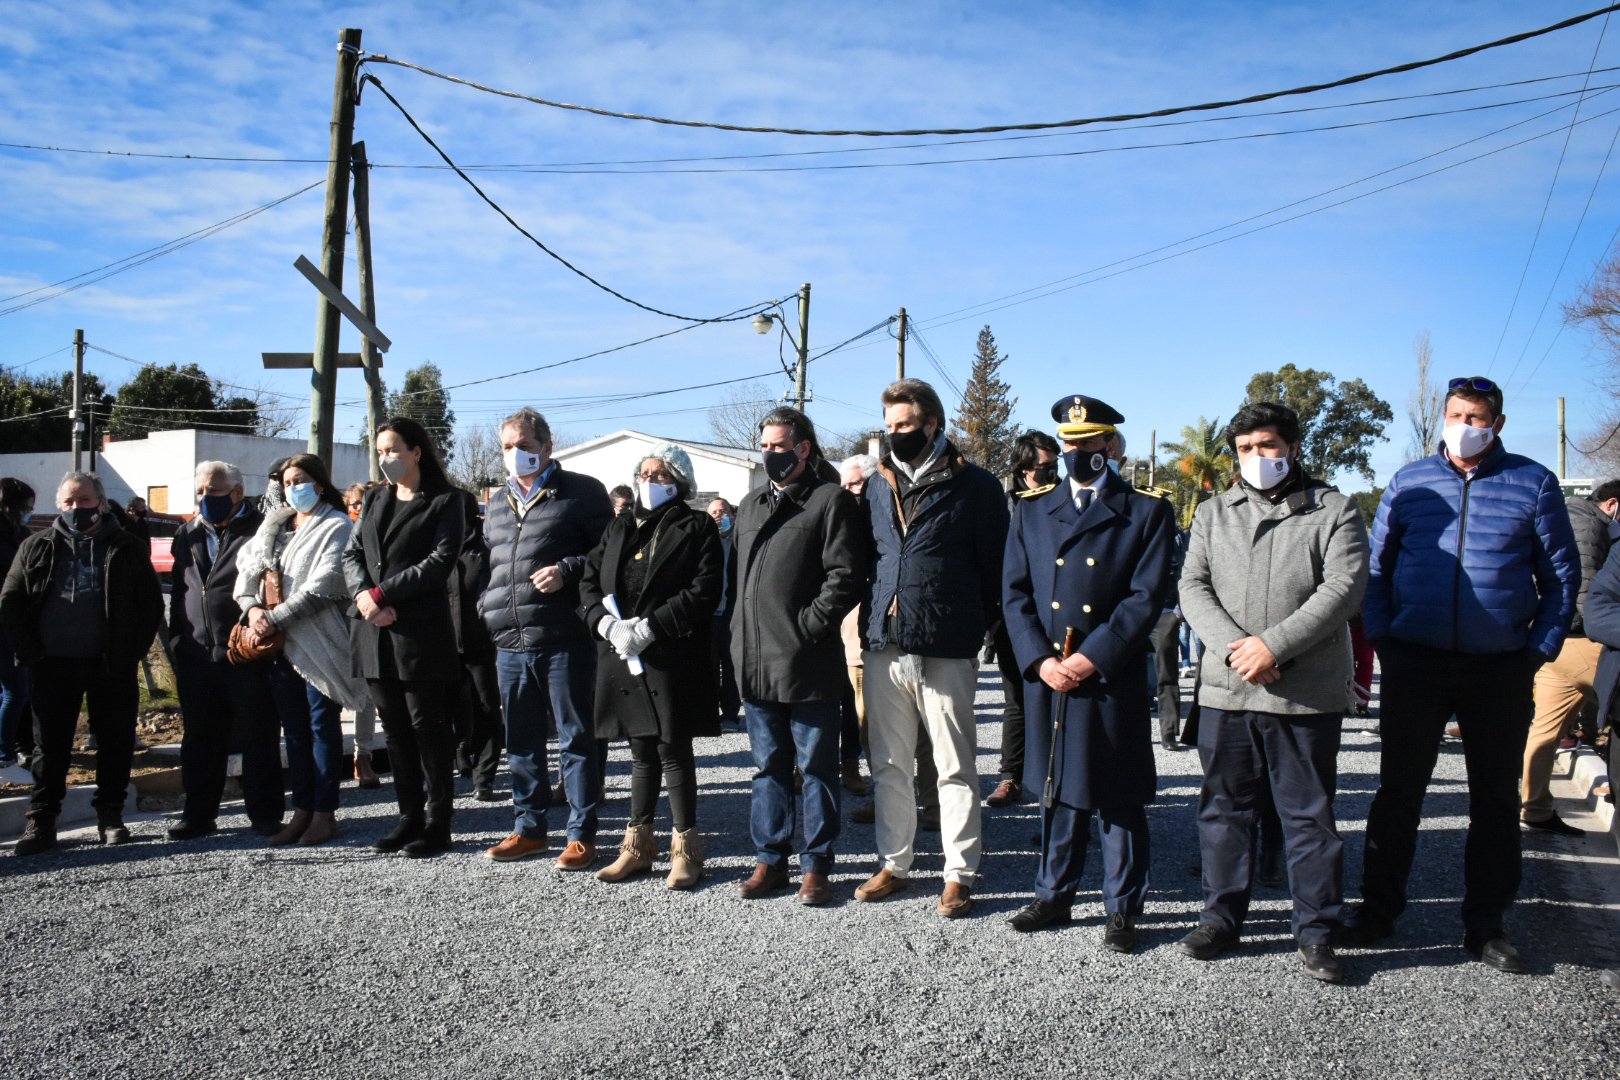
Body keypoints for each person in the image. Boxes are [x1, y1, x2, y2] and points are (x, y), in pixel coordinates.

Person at [1346, 376, 1579, 973]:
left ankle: (1487, 923)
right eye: (1456, 414)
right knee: (1398, 794)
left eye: (1477, 416)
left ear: (1496, 424)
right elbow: (1375, 570)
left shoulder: (1532, 482)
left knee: (1496, 801)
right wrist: (1385, 642)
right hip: (1416, 662)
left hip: (1499, 667)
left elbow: (1560, 579)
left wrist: (1537, 650)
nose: (1465, 425)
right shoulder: (1410, 482)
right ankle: (1378, 910)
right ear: (1443, 416)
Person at [1174, 402, 1369, 982]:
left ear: (1292, 447)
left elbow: (1344, 588)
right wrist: (1239, 647)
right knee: (1224, 811)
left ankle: (1316, 931)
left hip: (1302, 694)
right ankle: (1221, 916)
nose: (1256, 458)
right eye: (1245, 449)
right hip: (1227, 691)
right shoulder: (1214, 512)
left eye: (1267, 446)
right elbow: (1192, 585)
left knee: (1308, 816)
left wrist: (1274, 647)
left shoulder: (1334, 509)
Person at [1002, 395, 1175, 952]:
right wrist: (1040, 659)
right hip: (1051, 671)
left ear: (1110, 446)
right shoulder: (1032, 508)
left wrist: (1090, 657)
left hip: (1107, 671)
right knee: (1058, 787)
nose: (1074, 452)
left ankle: (1123, 907)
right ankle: (1053, 893)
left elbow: (1144, 598)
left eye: (1087, 442)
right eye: (1067, 444)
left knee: (1117, 793)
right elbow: (1015, 594)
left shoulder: (1146, 510)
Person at [853, 380, 1008, 919]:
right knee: (890, 763)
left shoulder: (977, 487)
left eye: (904, 426)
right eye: (889, 426)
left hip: (946, 642)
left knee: (954, 765)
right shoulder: (876, 486)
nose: (895, 435)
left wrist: (978, 624)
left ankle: (959, 873)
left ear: (933, 424)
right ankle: (895, 864)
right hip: (884, 643)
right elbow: (871, 557)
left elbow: (996, 569)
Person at [732, 406, 867, 905]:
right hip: (754, 658)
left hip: (805, 660)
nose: (770, 454)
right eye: (764, 446)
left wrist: (807, 626)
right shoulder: (750, 506)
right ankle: (770, 858)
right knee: (767, 767)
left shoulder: (829, 501)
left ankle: (816, 865)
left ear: (803, 448)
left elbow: (846, 575)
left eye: (778, 445)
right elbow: (739, 581)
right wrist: (736, 638)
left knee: (816, 767)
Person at [581, 446, 723, 888]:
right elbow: (589, 581)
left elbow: (705, 590)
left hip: (669, 653)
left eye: (660, 473)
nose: (649, 479)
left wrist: (653, 627)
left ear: (679, 481)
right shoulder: (618, 527)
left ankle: (686, 849)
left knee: (673, 750)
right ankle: (637, 846)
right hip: (623, 652)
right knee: (640, 751)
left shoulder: (696, 525)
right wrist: (605, 624)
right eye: (644, 472)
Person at [478, 407, 612, 868]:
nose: (516, 455)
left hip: (563, 635)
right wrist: (487, 604)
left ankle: (581, 833)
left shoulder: (581, 492)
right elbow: (487, 564)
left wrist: (568, 569)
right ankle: (529, 828)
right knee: (521, 739)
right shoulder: (496, 504)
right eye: (508, 447)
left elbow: (606, 552)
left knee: (575, 739)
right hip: (510, 640)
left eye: (525, 446)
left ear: (548, 447)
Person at [1, 471, 162, 854]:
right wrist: (29, 650)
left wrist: (129, 652)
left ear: (101, 504)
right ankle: (42, 821)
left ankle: (110, 816)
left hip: (110, 665)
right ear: (60, 505)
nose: (77, 508)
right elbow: (12, 599)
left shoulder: (126, 547)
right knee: (50, 746)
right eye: (70, 502)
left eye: (85, 501)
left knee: (115, 742)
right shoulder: (36, 546)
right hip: (52, 665)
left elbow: (150, 606)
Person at [343, 418, 467, 858]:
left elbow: (439, 561)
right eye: (380, 451)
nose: (385, 458)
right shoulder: (375, 498)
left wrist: (383, 593)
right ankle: (408, 816)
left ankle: (438, 823)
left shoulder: (446, 501)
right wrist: (363, 596)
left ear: (417, 452)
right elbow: (353, 551)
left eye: (393, 450)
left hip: (419, 632)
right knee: (394, 731)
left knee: (428, 729)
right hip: (373, 630)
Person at [236, 454, 371, 846]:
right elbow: (247, 576)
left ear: (319, 481)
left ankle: (324, 813)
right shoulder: (273, 527)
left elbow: (326, 583)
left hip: (318, 645)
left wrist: (275, 617)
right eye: (287, 481)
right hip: (277, 647)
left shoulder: (336, 525)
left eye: (301, 480)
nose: (294, 487)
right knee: (294, 734)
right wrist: (253, 609)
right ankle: (302, 810)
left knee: (320, 728)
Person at [166, 461, 283, 841]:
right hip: (196, 654)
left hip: (245, 653)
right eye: (199, 492)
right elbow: (183, 589)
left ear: (236, 493)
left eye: (212, 492)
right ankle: (198, 815)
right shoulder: (186, 533)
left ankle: (265, 814)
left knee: (258, 735)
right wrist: (178, 641)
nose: (204, 499)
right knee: (200, 739)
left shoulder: (262, 530)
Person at [1520, 479, 1618, 836]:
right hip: (1582, 640)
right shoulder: (1593, 527)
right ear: (1611, 504)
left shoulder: (1561, 516)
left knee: (1543, 730)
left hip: (1551, 642)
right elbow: (1587, 589)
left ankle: (1535, 806)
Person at [985, 431, 1059, 808]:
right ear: (1023, 467)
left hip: (1057, 617)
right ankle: (1011, 776)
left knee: (1059, 702)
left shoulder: (1066, 497)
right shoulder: (999, 501)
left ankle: (1058, 780)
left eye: (1053, 465)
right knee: (1017, 699)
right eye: (1043, 467)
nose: (1051, 473)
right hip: (1012, 617)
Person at [450, 489, 503, 802]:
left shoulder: (487, 546)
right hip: (443, 644)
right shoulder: (436, 544)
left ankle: (485, 776)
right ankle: (461, 758)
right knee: (452, 709)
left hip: (482, 643)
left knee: (485, 708)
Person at [0, 478, 36, 769]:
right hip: (6, 623)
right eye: (27, 508)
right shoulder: (10, 536)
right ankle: (4, 754)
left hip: (16, 622)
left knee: (15, 691)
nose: (30, 513)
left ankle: (15, 748)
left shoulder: (20, 533)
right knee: (16, 691)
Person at [706, 497, 742, 730]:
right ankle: (708, 715)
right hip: (707, 615)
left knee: (731, 666)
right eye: (714, 512)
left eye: (724, 511)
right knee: (707, 666)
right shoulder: (701, 542)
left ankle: (730, 714)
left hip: (732, 615)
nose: (720, 516)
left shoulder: (740, 542)